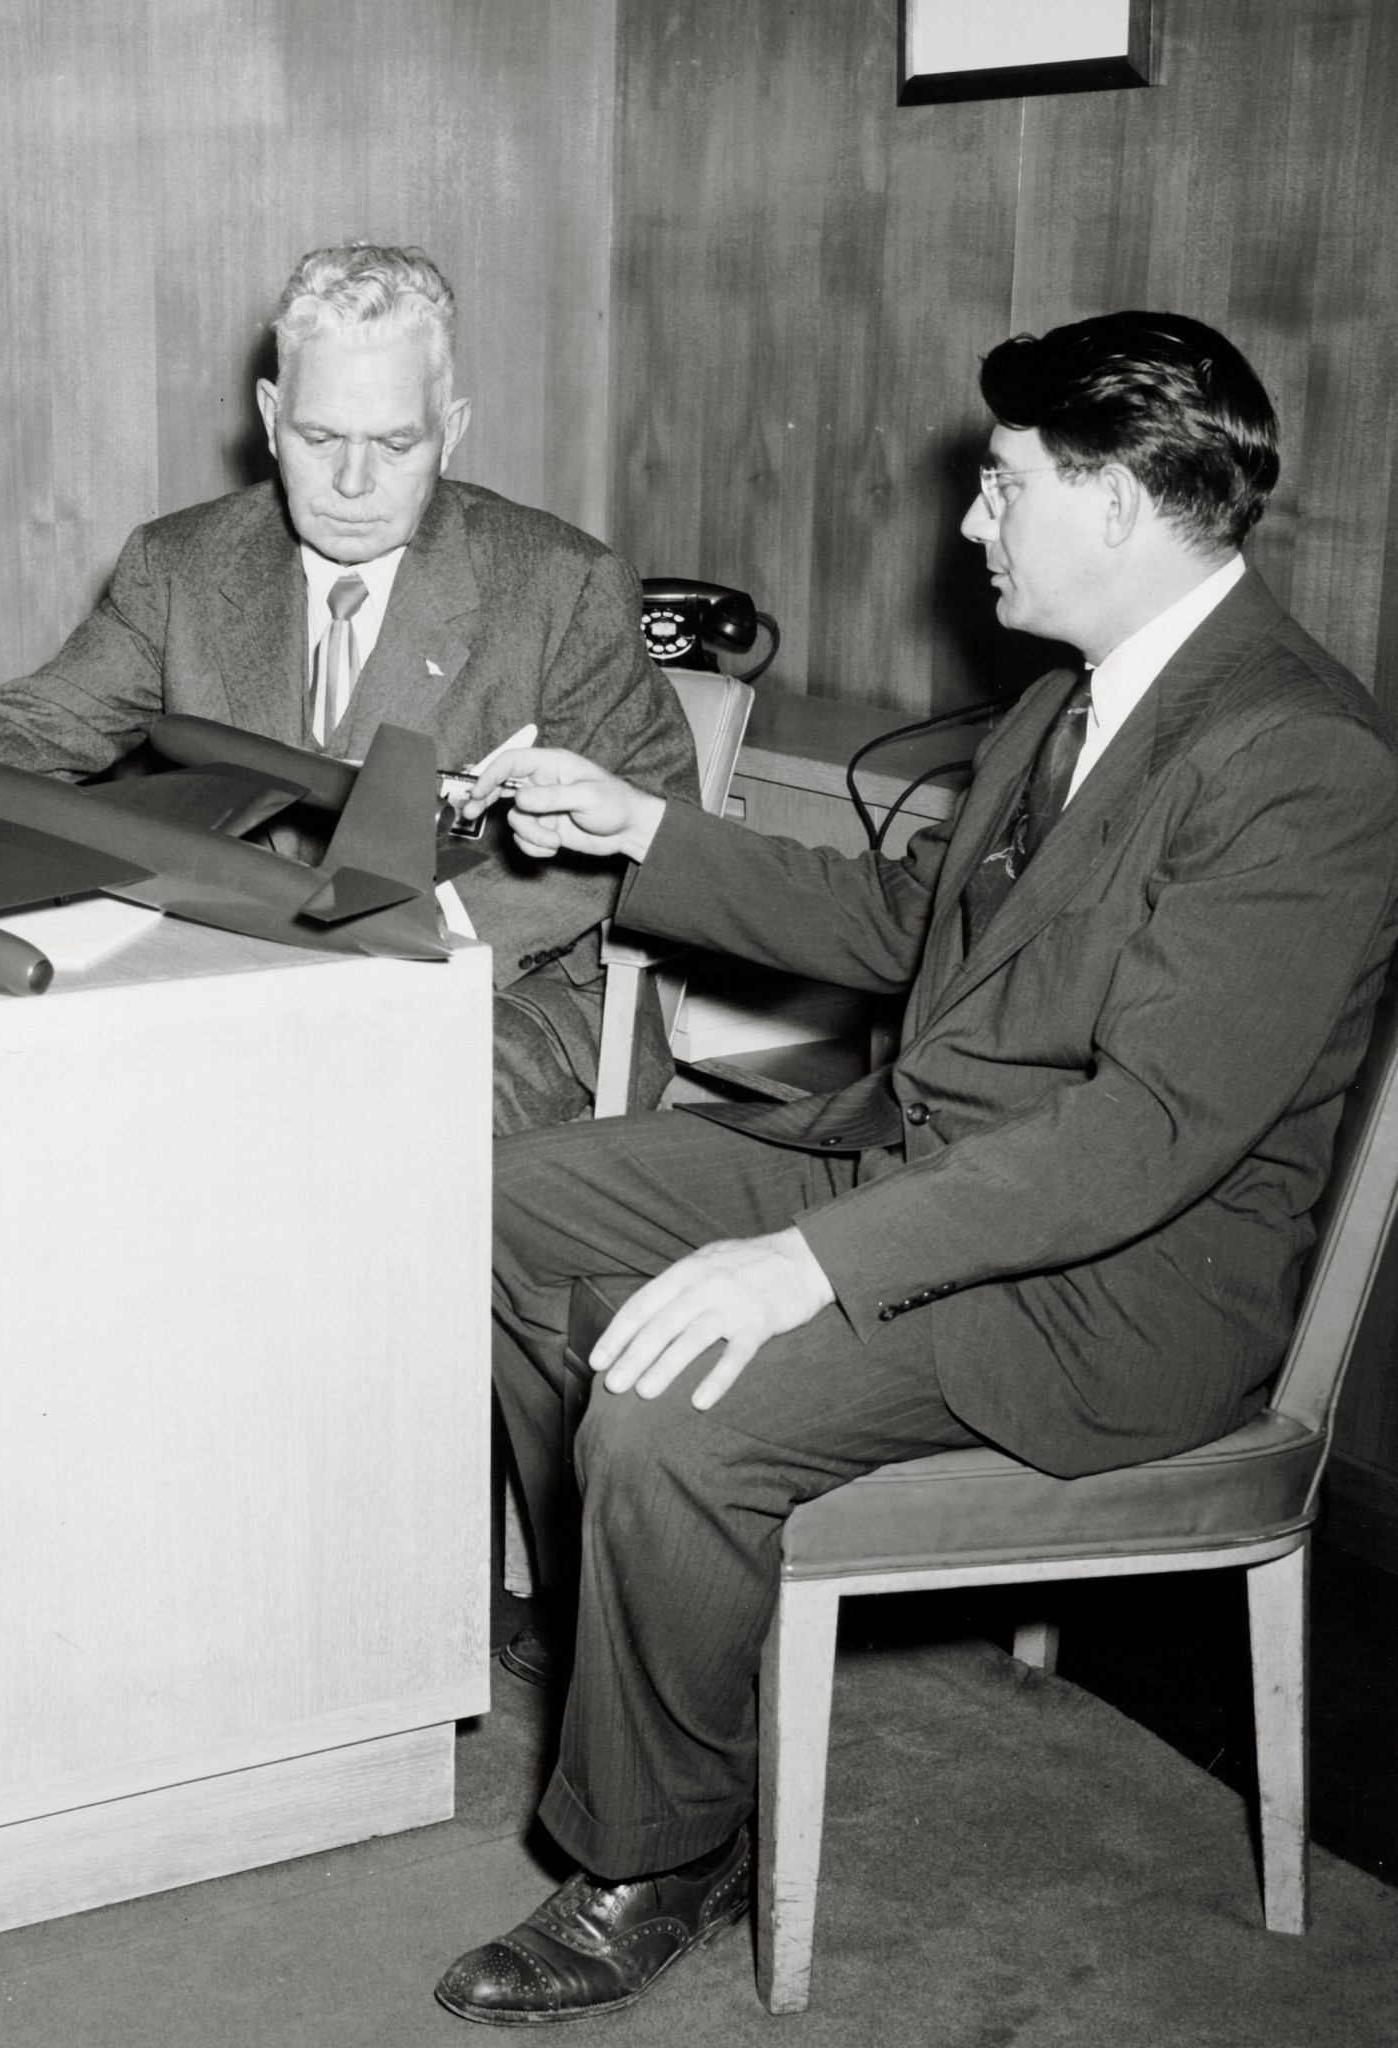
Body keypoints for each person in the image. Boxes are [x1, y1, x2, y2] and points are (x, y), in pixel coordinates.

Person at [433, 311, 1398, 2023]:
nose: (970, 520)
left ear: (1112, 500)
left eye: (1002, 484)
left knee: (674, 1408)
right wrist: (640, 827)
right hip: (936, 1177)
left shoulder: (1298, 760)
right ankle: (636, 1618)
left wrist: (803, 1263)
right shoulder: (1064, 705)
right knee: (501, 1204)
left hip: (1109, 1287)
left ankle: (661, 1843)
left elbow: (1147, 1133)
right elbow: (916, 929)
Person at [0, 244, 698, 1133]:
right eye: (319, 435)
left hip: (511, 988)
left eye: (396, 443)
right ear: (268, 416)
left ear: (450, 431)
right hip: (241, 963)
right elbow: (44, 720)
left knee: (329, 1132)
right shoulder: (178, 566)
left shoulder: (562, 584)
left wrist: (395, 933)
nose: (352, 482)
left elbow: (653, 822)